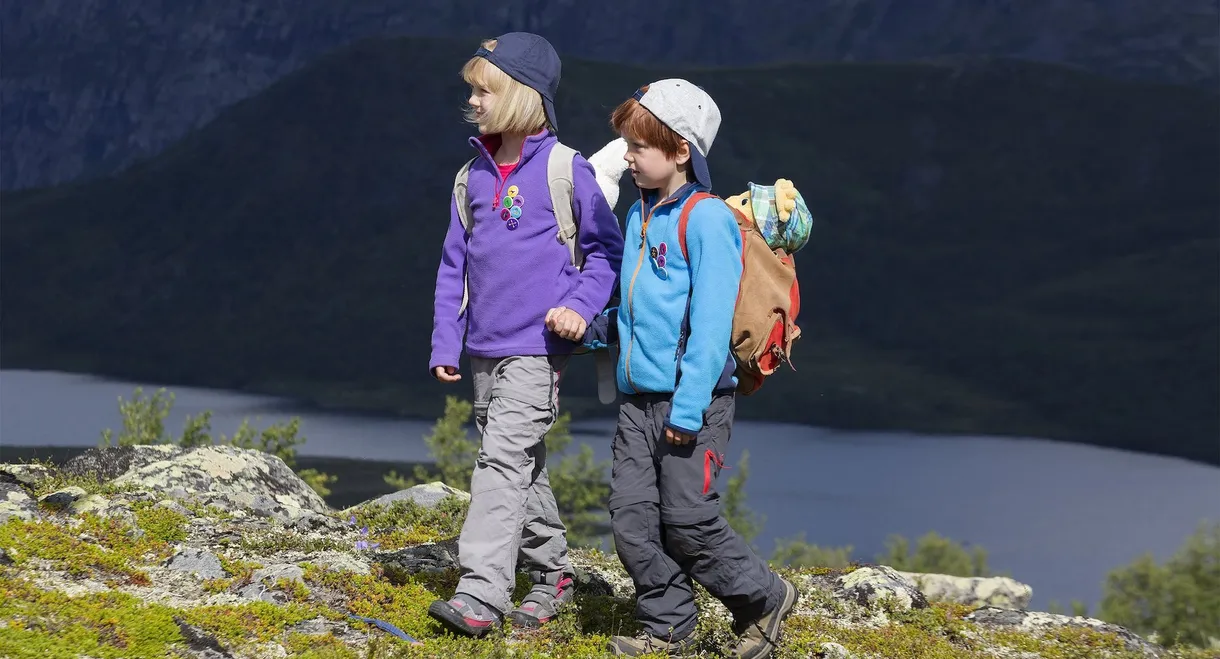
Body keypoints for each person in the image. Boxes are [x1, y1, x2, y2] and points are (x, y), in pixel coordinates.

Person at [585, 79, 797, 658]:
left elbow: (708, 327)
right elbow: (635, 308)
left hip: (692, 402)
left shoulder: (706, 221)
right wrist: (593, 330)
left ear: (682, 151)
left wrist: (687, 406)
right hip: (637, 402)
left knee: (687, 520)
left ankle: (762, 599)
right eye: (626, 144)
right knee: (632, 521)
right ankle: (669, 626)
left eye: (638, 146)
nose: (627, 156)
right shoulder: (639, 214)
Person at [427, 32, 624, 637]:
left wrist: (578, 308)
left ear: (520, 96)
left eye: (483, 90)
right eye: (472, 90)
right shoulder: (471, 177)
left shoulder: (568, 170)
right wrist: (445, 341)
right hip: (484, 348)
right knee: (520, 463)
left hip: (539, 351)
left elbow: (604, 255)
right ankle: (553, 572)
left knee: (500, 461)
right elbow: (452, 266)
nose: (473, 101)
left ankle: (481, 593)